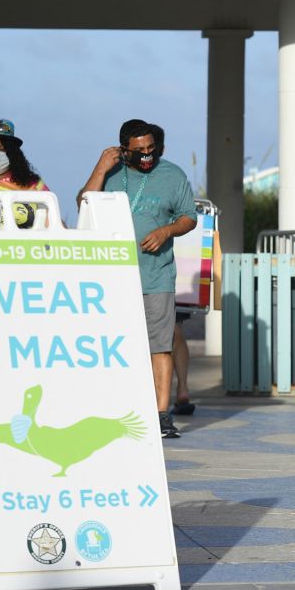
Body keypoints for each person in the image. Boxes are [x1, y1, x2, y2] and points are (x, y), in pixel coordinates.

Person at [80, 119, 196, 440]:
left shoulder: (173, 175)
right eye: (139, 151)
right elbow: (84, 204)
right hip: (112, 278)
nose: (147, 155)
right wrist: (101, 168)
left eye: (151, 149)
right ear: (124, 149)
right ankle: (116, 407)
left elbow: (188, 216)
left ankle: (161, 414)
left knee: (160, 345)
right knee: (113, 345)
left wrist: (166, 231)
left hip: (156, 275)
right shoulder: (112, 171)